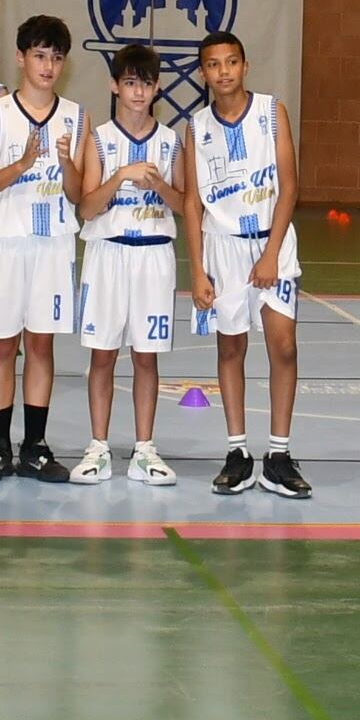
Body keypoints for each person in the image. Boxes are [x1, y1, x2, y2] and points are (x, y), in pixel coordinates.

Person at [185, 30, 305, 499]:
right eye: (213, 65)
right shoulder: (196, 128)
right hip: (223, 247)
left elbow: (290, 186)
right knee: (231, 349)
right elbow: (192, 203)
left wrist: (272, 252)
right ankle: (237, 452)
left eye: (231, 62)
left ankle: (278, 454)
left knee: (284, 345)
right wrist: (196, 269)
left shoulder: (272, 113)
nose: (223, 72)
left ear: (245, 65)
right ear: (203, 73)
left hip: (271, 242)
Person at [0, 13, 84, 484]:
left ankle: (34, 444)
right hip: (4, 244)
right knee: (2, 345)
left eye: (56, 57)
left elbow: (78, 194)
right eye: (39, 56)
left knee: (41, 344)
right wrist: (23, 164)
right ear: (20, 58)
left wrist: (67, 164)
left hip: (52, 243)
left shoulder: (76, 115)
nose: (48, 66)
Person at [77, 42, 185, 485]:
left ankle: (144, 449)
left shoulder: (171, 142)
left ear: (157, 88)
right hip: (108, 253)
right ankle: (98, 447)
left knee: (146, 357)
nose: (138, 93)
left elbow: (183, 204)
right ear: (114, 86)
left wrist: (160, 186)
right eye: (130, 83)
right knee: (103, 355)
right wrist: (120, 175)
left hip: (154, 254)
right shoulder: (98, 140)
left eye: (146, 84)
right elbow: (86, 207)